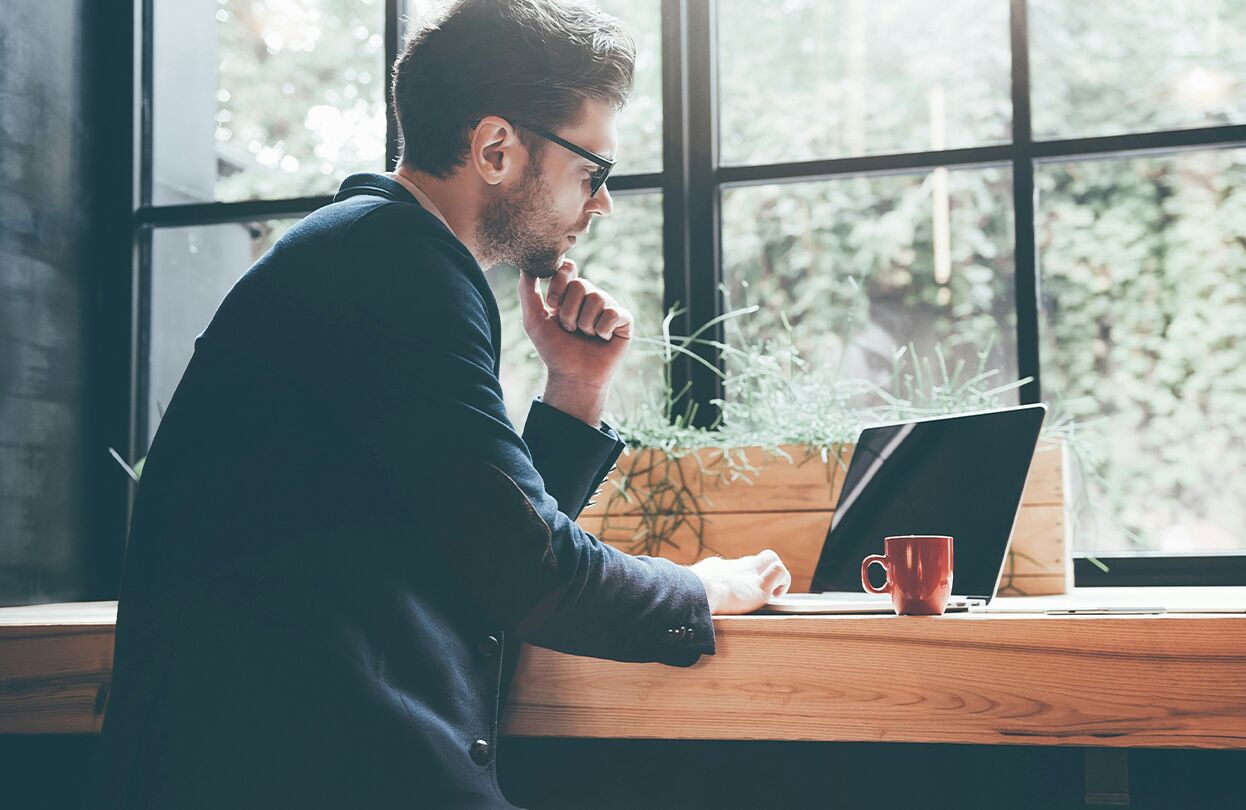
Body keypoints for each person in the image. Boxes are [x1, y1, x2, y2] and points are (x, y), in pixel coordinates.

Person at [97, 1, 791, 806]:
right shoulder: (397, 267)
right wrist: (705, 587)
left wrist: (575, 385)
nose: (601, 204)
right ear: (496, 148)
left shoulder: (368, 251)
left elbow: (476, 547)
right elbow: (532, 575)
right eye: (593, 172)